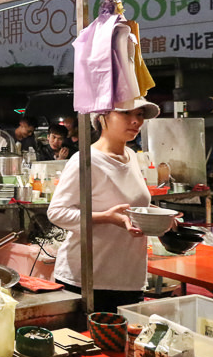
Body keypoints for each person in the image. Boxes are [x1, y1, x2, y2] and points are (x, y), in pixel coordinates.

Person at [47, 97, 173, 313]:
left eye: (140, 114)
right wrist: (106, 217)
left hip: (129, 278)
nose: (136, 121)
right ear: (103, 117)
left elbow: (131, 206)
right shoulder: (85, 160)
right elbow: (57, 213)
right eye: (126, 113)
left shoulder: (131, 156)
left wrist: (163, 217)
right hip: (88, 280)